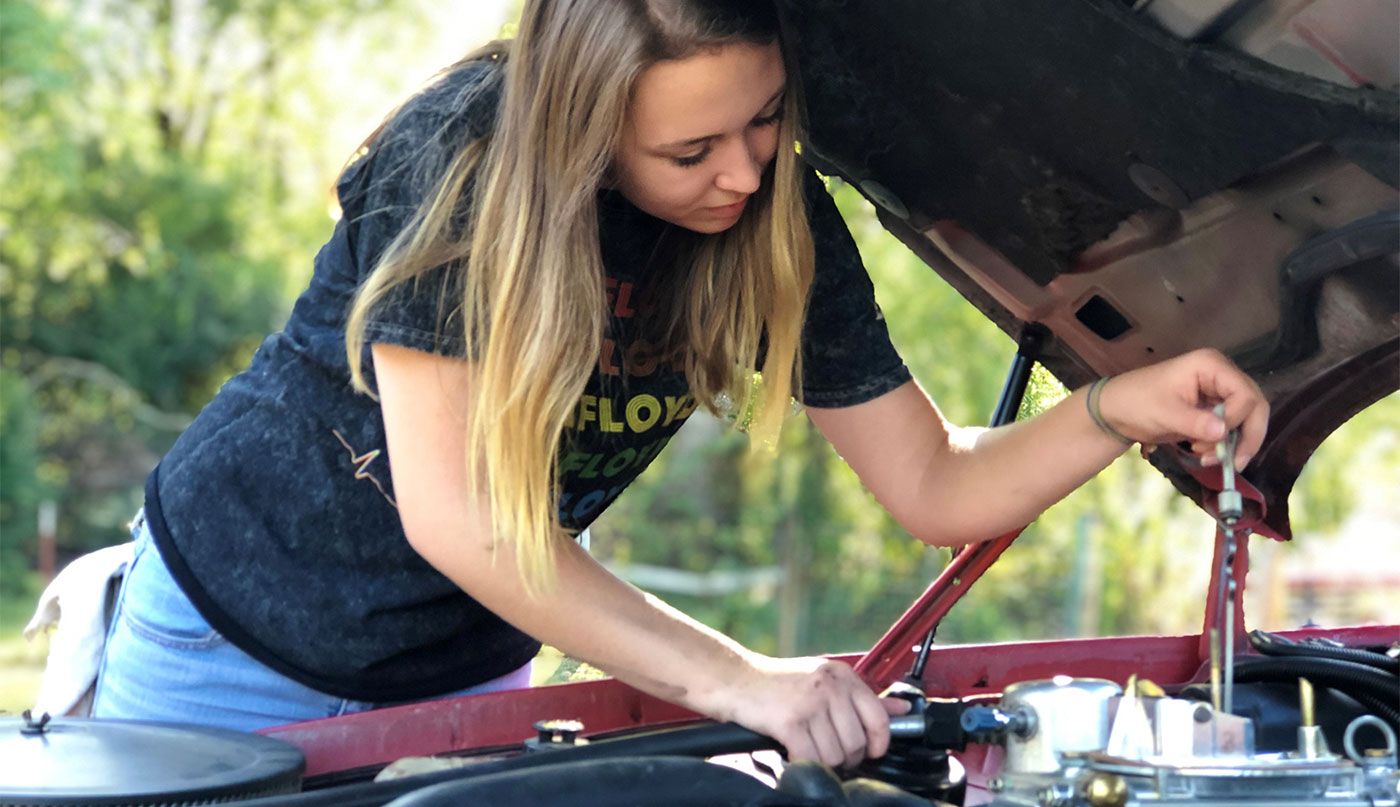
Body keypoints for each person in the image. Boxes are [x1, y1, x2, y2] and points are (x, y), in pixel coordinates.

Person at [90, 0, 1268, 769]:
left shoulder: (774, 217)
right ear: (584, 130)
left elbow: (932, 488)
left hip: (468, 678)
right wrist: (742, 682)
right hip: (225, 653)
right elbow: (460, 522)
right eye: (688, 152)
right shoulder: (458, 162)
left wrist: (1118, 408)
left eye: (762, 123)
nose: (743, 175)